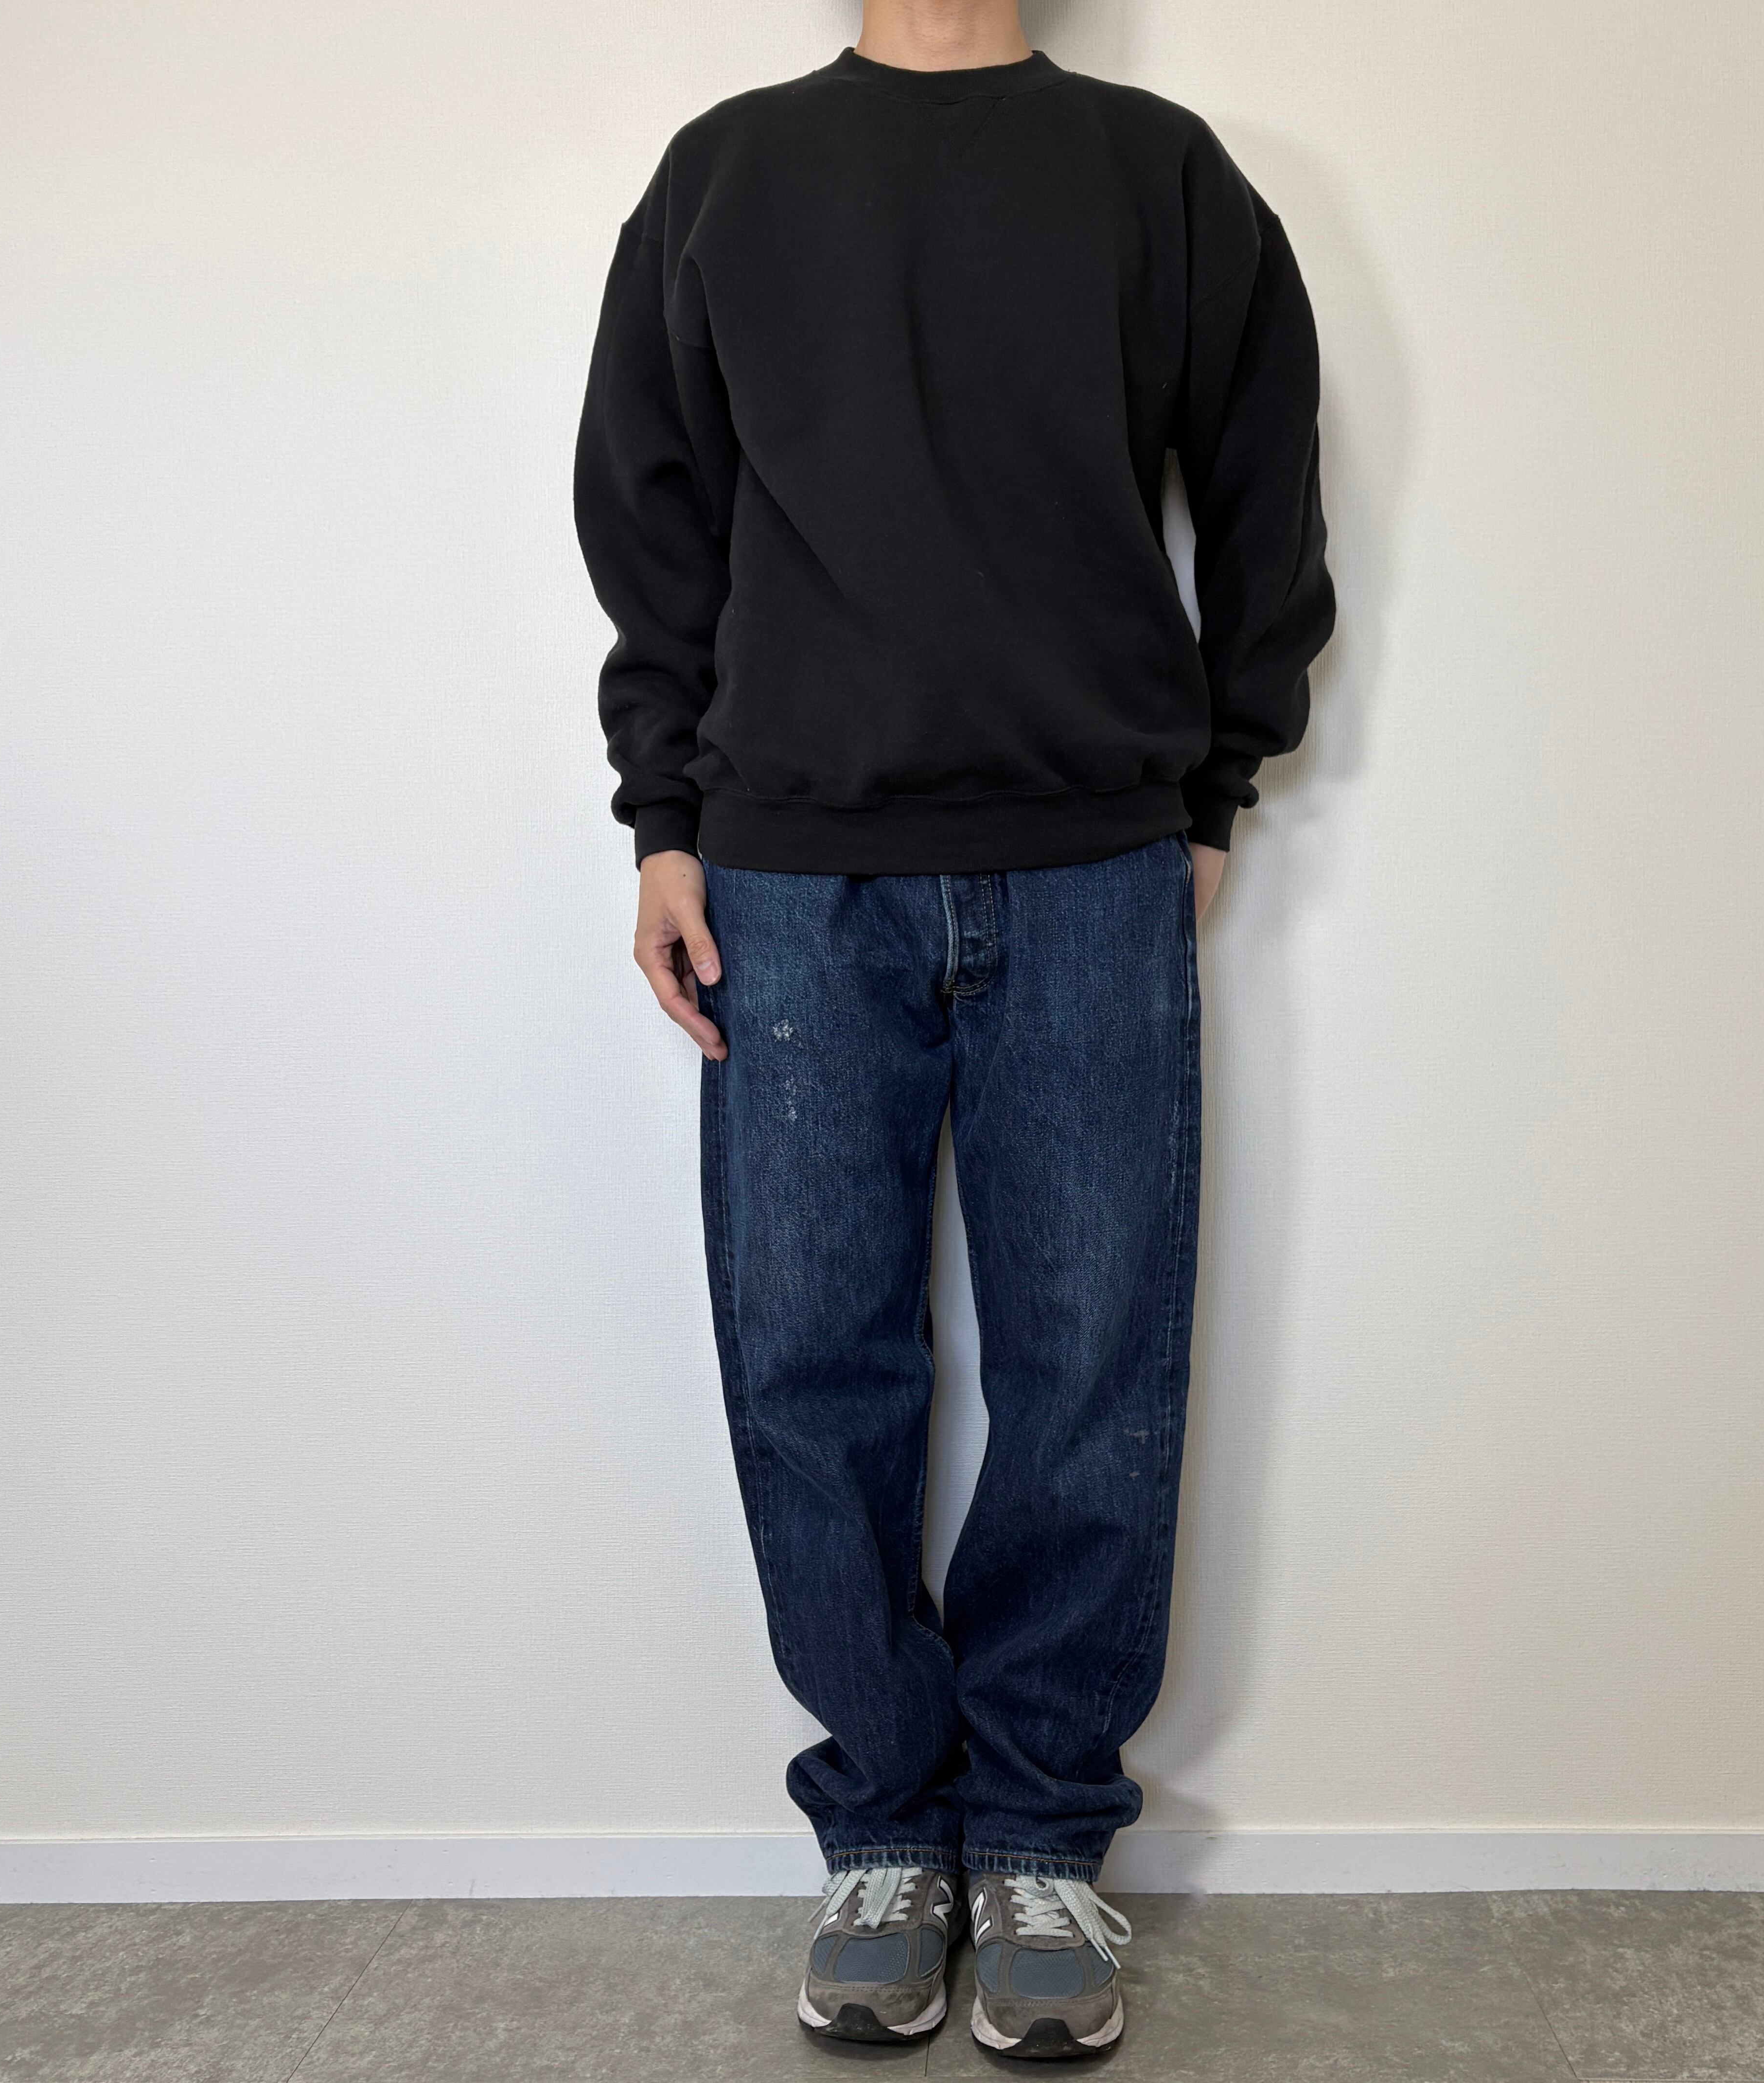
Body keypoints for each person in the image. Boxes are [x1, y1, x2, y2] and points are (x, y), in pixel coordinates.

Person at [574, 0, 1335, 2056]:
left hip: (1092, 862)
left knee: (1093, 1358)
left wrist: (1208, 787)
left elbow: (1265, 487)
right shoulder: (728, 173)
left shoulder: (1160, 178)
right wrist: (663, 822)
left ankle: (1041, 1832)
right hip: (787, 872)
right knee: (810, 1360)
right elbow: (651, 516)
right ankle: (885, 1829)